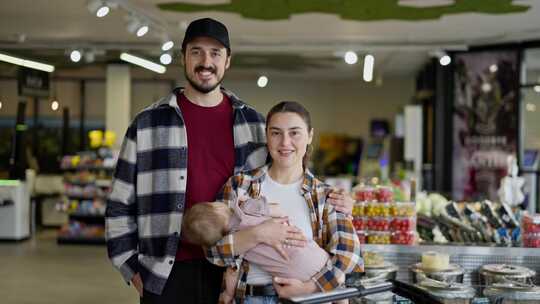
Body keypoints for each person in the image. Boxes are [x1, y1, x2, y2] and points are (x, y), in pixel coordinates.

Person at [105, 18, 354, 304]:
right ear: (183, 57)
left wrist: (339, 202)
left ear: (228, 61)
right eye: (196, 52)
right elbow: (119, 203)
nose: (205, 62)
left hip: (235, 272)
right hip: (164, 273)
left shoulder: (253, 124)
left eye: (215, 53)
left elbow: (286, 179)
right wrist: (131, 268)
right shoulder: (147, 124)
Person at [207, 101, 363, 304]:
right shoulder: (240, 185)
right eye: (276, 133)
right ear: (267, 136)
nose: (285, 142)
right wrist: (257, 234)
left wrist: (310, 288)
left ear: (310, 136)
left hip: (307, 299)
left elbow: (349, 257)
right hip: (247, 298)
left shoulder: (326, 195)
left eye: (294, 133)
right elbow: (212, 249)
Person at [182, 197, 331, 304]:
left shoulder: (239, 244)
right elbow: (278, 209)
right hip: (308, 253)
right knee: (334, 289)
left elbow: (232, 272)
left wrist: (227, 294)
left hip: (292, 276)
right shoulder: (246, 208)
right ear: (218, 207)